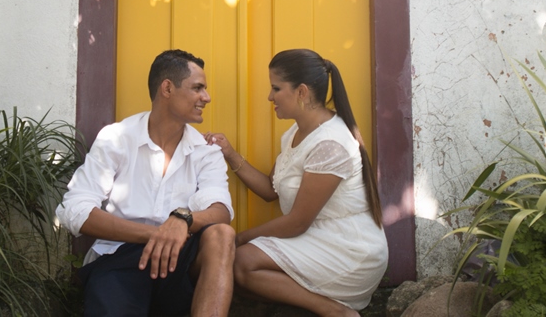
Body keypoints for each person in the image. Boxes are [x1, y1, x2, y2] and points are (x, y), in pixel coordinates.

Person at [205, 49, 388, 317]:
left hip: (350, 251)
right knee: (232, 269)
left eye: (276, 88)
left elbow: (297, 222)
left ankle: (335, 311)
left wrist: (238, 239)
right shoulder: (295, 133)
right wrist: (230, 154)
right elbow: (271, 191)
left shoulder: (330, 143)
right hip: (316, 239)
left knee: (240, 262)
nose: (270, 96)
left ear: (301, 92)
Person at [57, 49, 236, 317]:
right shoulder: (117, 138)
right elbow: (75, 210)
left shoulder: (205, 150)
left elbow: (221, 210)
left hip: (180, 262)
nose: (206, 97)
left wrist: (182, 220)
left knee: (222, 234)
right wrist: (156, 234)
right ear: (167, 88)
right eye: (197, 88)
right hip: (121, 259)